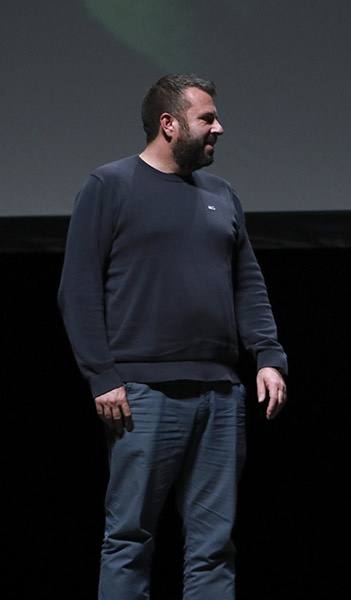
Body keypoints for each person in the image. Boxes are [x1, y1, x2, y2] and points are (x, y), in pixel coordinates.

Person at [57, 74, 288, 599]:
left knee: (214, 547)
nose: (218, 128)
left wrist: (268, 356)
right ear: (169, 124)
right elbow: (78, 288)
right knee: (129, 538)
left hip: (221, 394)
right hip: (142, 394)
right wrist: (101, 375)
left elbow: (248, 283)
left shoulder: (222, 195)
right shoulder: (109, 186)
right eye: (207, 118)